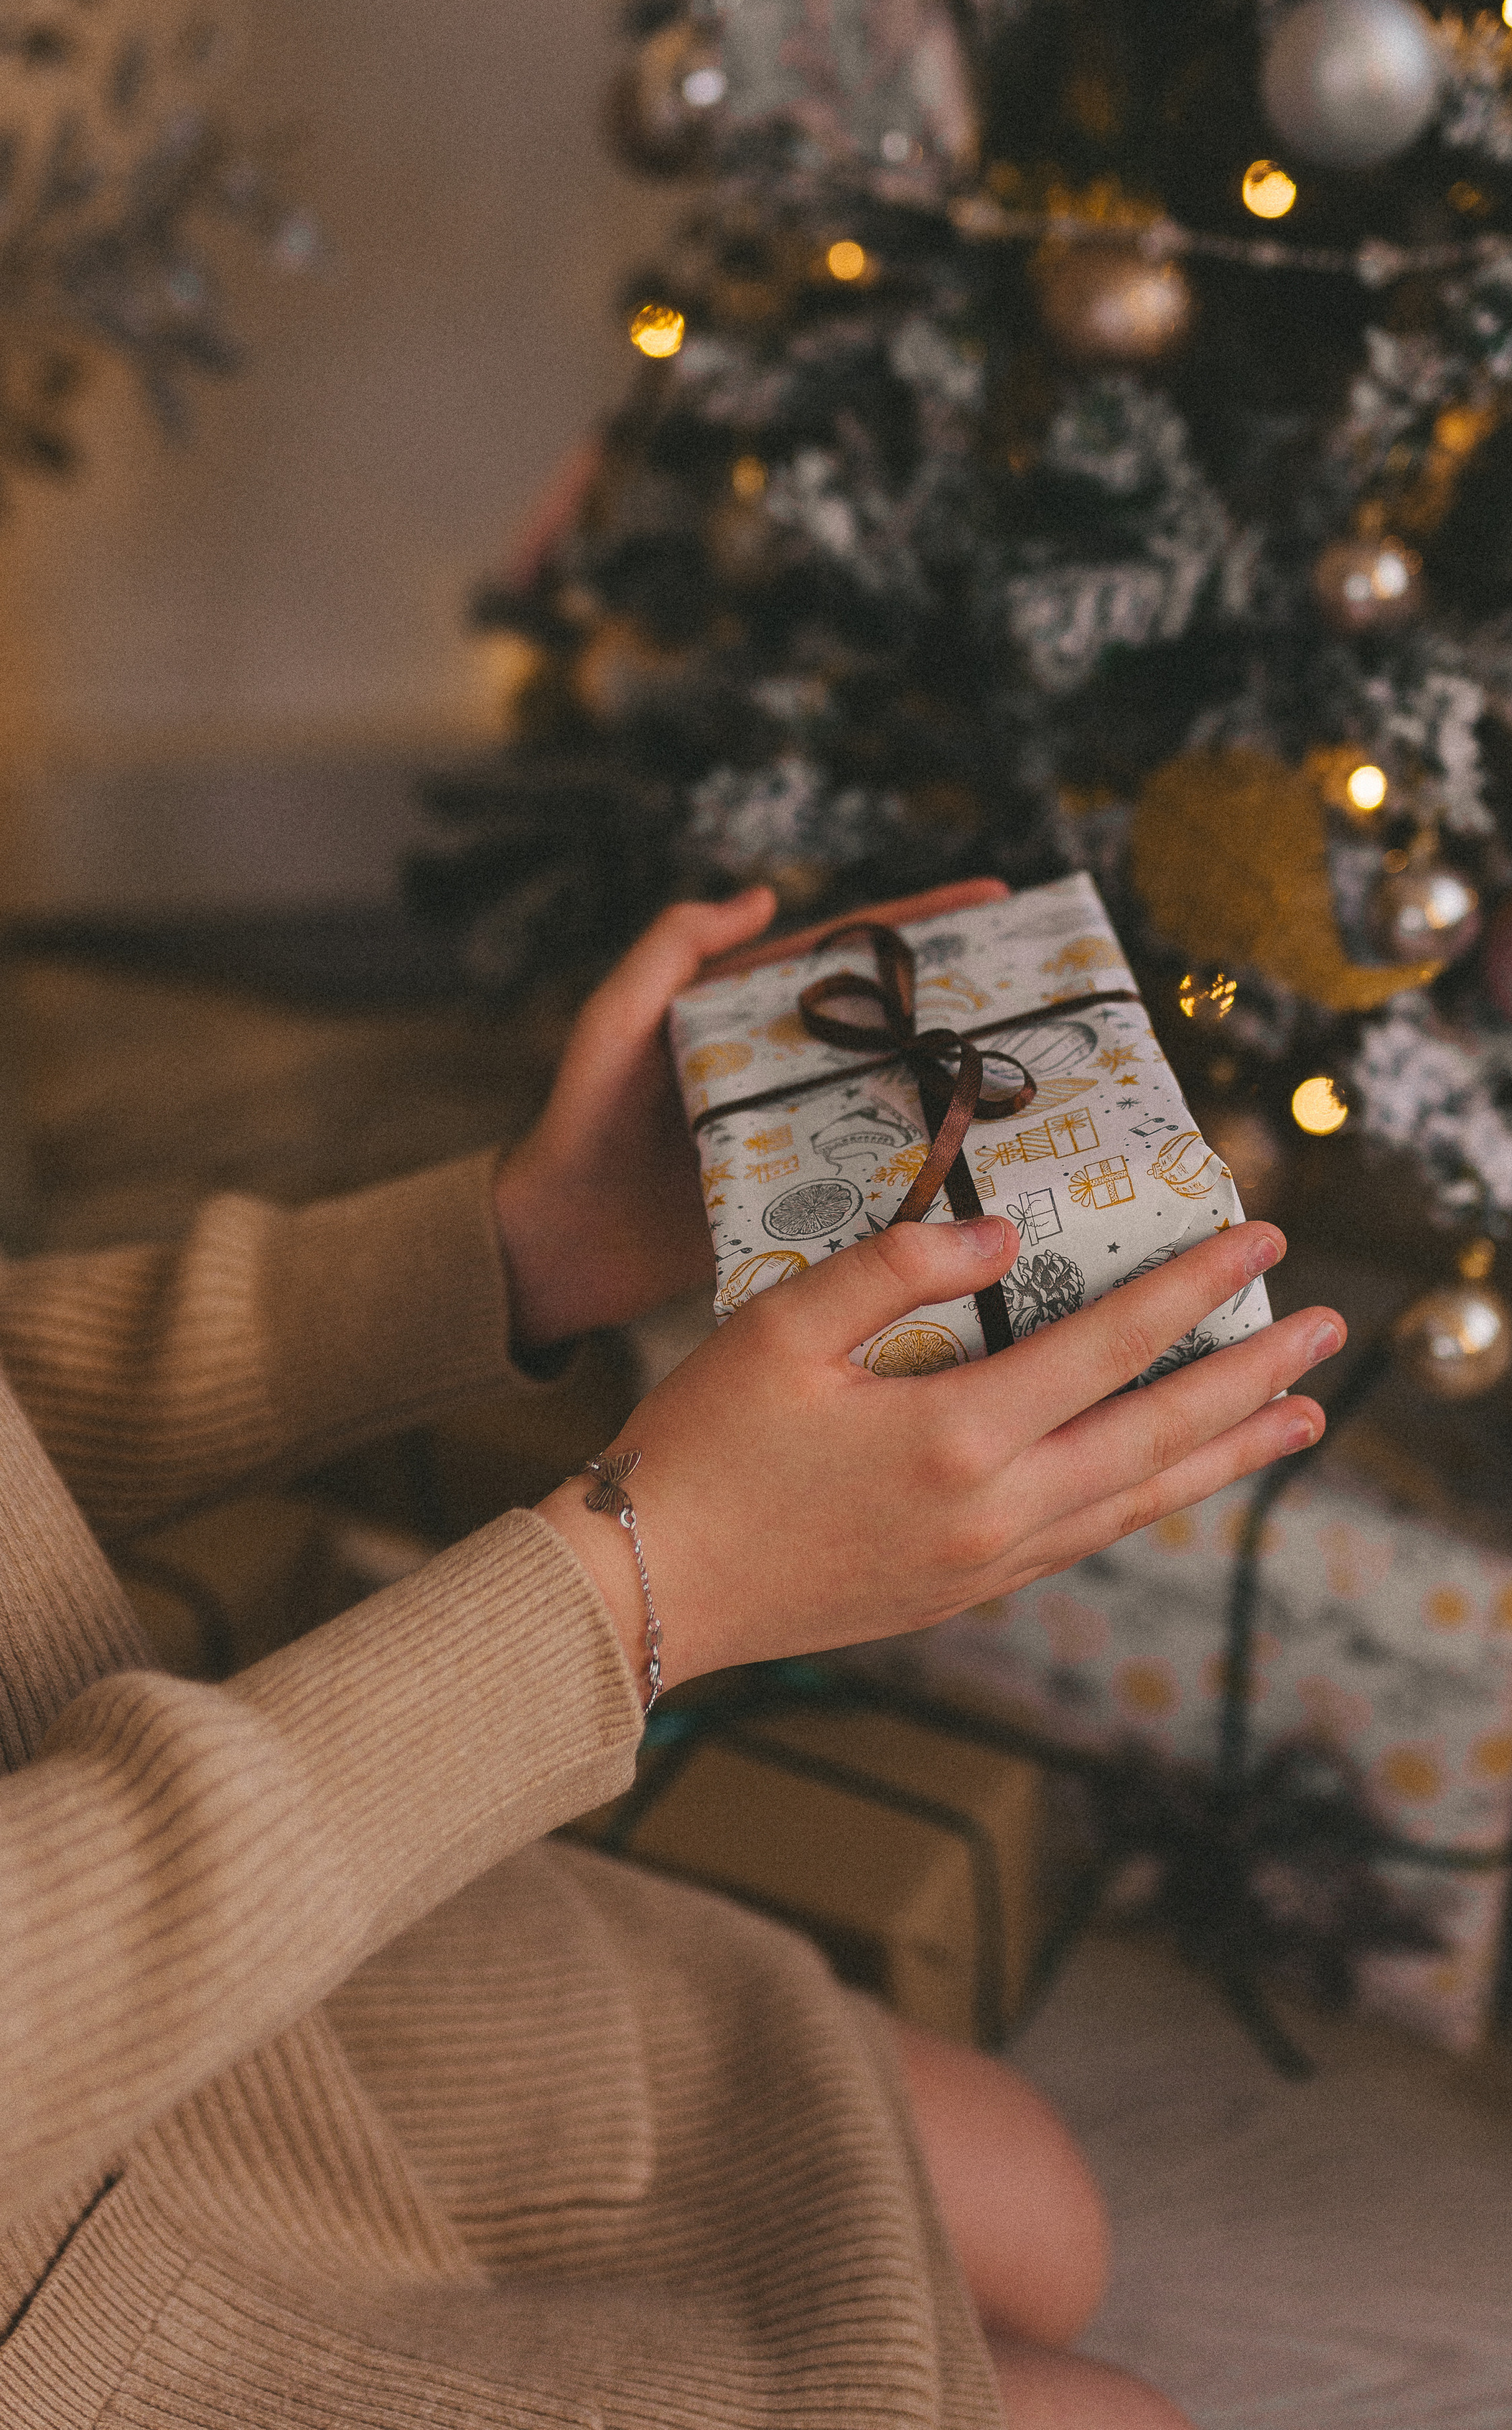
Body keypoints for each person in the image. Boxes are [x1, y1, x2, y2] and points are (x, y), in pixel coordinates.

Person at [0, 881, 1344, 2430]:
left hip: (200, 1910)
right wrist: (640, 1587)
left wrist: (515, 1248)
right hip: (88, 2182)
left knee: (1040, 2207)